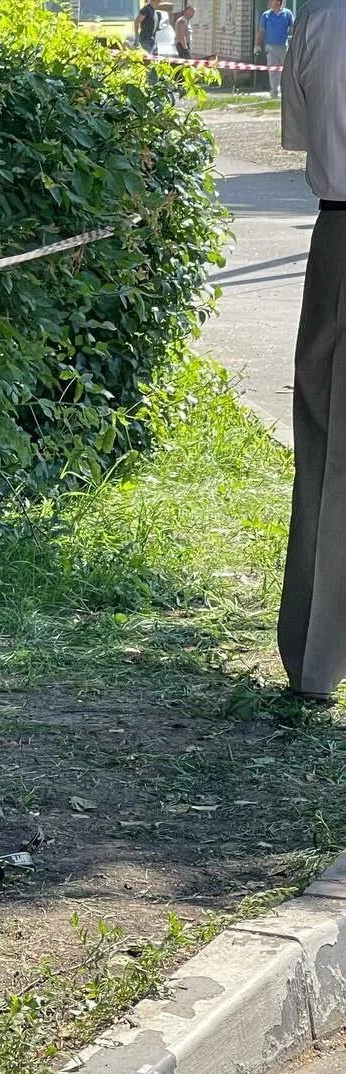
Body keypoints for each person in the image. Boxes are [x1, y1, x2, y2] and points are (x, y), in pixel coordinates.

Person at [278, 0, 346, 699]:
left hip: (338, 238)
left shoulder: (319, 17)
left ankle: (316, 661)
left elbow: (301, 136)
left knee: (327, 454)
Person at [256, 0, 294, 98]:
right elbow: (261, 31)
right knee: (273, 71)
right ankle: (274, 93)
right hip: (270, 47)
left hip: (283, 47)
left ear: (278, 2)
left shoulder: (287, 14)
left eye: (272, 0)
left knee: (284, 71)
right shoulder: (266, 15)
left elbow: (294, 28)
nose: (269, 2)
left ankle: (284, 93)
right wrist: (258, 45)